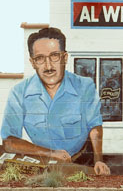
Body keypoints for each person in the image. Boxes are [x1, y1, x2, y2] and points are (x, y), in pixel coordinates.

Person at [1, 27, 110, 175]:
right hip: (43, 163)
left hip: (82, 161)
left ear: (65, 57)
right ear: (32, 62)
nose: (48, 66)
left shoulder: (85, 86)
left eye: (54, 56)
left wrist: (99, 160)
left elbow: (94, 127)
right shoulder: (19, 92)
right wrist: (51, 153)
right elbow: (8, 142)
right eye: (40, 58)